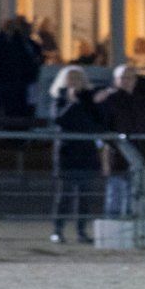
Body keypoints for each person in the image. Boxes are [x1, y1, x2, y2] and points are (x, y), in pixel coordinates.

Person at [48, 66, 101, 243]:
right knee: (64, 196)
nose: (74, 82)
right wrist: (71, 102)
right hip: (67, 154)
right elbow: (59, 120)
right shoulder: (59, 99)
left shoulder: (89, 100)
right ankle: (58, 230)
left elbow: (95, 123)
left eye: (78, 78)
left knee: (85, 197)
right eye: (71, 78)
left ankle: (82, 232)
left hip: (86, 153)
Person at [96, 65, 145, 219]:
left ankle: (131, 229)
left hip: (138, 154)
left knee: (135, 195)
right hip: (116, 155)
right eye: (123, 78)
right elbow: (103, 130)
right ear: (115, 81)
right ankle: (113, 228)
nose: (126, 81)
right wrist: (105, 158)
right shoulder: (108, 101)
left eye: (130, 77)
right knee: (115, 194)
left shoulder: (143, 102)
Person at [0, 16, 44, 119]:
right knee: (2, 108)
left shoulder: (25, 43)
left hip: (21, 83)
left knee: (19, 109)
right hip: (3, 82)